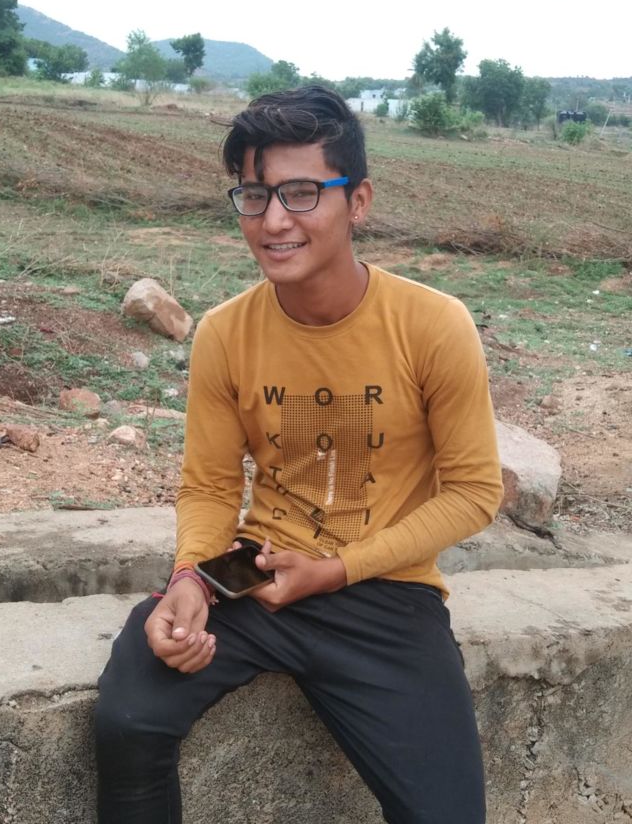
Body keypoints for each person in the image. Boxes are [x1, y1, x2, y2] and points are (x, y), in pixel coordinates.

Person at [95, 85, 504, 824]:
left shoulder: (433, 325)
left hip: (387, 592)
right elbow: (211, 485)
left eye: (302, 193)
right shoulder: (226, 332)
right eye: (254, 195)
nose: (274, 220)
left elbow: (474, 491)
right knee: (130, 714)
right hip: (258, 572)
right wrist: (190, 578)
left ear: (359, 201)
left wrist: (337, 570)